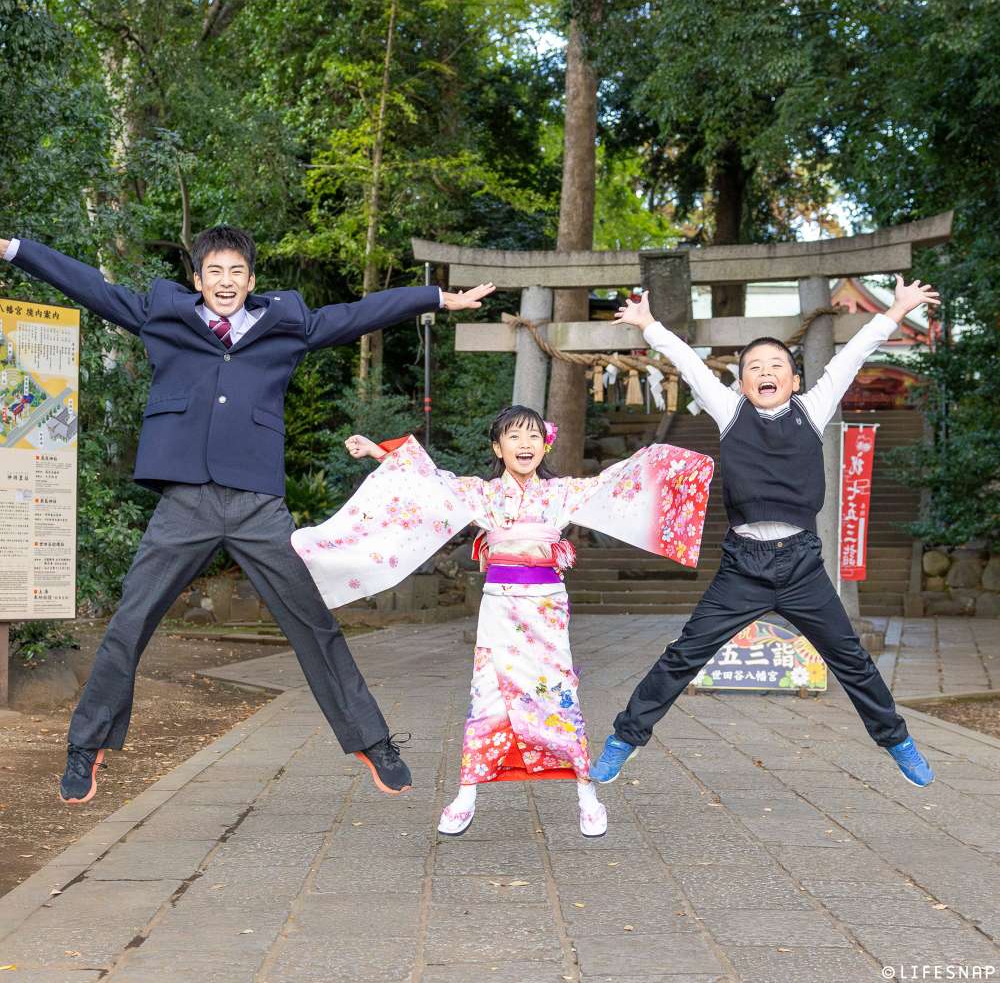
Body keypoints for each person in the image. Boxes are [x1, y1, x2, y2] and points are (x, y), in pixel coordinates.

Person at [0, 227, 495, 803]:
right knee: (128, 623)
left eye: (236, 272)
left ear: (251, 280)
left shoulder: (288, 325)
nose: (226, 282)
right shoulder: (162, 316)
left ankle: (372, 741)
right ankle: (87, 748)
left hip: (258, 504)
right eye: (215, 272)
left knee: (313, 624)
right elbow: (92, 287)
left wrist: (433, 298)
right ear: (198, 280)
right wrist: (15, 249)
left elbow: (358, 313)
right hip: (186, 499)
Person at [290, 404, 714, 837]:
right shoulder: (483, 493)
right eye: (513, 436)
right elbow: (430, 483)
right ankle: (467, 792)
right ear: (498, 447)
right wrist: (381, 453)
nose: (525, 444)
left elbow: (615, 484)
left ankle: (587, 794)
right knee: (487, 695)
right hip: (500, 606)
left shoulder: (562, 493)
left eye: (533, 436)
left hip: (546, 607)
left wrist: (670, 464)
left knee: (558, 694)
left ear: (544, 444)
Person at [589, 277, 941, 789]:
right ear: (741, 383)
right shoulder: (730, 413)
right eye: (754, 367)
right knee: (684, 654)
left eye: (777, 365)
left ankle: (897, 741)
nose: (766, 371)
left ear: (795, 380)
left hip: (801, 566)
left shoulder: (813, 410)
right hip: (742, 567)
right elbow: (689, 363)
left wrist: (896, 309)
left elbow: (853, 355)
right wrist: (649, 326)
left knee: (852, 661)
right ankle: (624, 738)